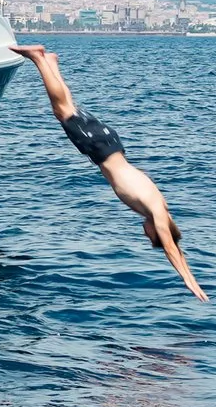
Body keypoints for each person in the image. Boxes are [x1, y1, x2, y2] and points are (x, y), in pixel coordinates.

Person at [17, 43, 206, 299]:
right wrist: (188, 280)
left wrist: (187, 269)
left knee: (69, 107)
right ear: (159, 232)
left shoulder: (160, 206)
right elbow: (171, 249)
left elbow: (176, 247)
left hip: (111, 144)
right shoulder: (158, 214)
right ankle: (38, 58)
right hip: (102, 149)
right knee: (63, 111)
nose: (146, 234)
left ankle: (51, 62)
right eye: (151, 237)